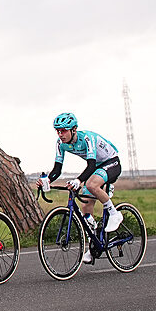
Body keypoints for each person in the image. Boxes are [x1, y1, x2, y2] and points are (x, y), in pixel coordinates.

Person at [35, 112, 124, 263]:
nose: (60, 134)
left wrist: (78, 180)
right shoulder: (60, 143)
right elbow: (57, 169)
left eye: (63, 131)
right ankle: (94, 243)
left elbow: (90, 165)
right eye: (58, 131)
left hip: (111, 162)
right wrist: (48, 180)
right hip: (97, 167)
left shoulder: (87, 139)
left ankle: (115, 213)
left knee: (90, 184)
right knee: (86, 206)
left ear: (74, 130)